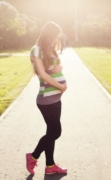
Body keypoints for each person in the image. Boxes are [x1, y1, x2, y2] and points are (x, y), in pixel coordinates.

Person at [26, 22, 67, 175]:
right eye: (54, 37)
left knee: (51, 132)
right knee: (56, 132)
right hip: (46, 99)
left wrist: (59, 68)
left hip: (56, 98)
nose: (56, 40)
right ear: (48, 35)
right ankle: (33, 156)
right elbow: (42, 74)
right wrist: (61, 86)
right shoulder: (36, 50)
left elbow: (55, 67)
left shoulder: (49, 50)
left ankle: (50, 167)